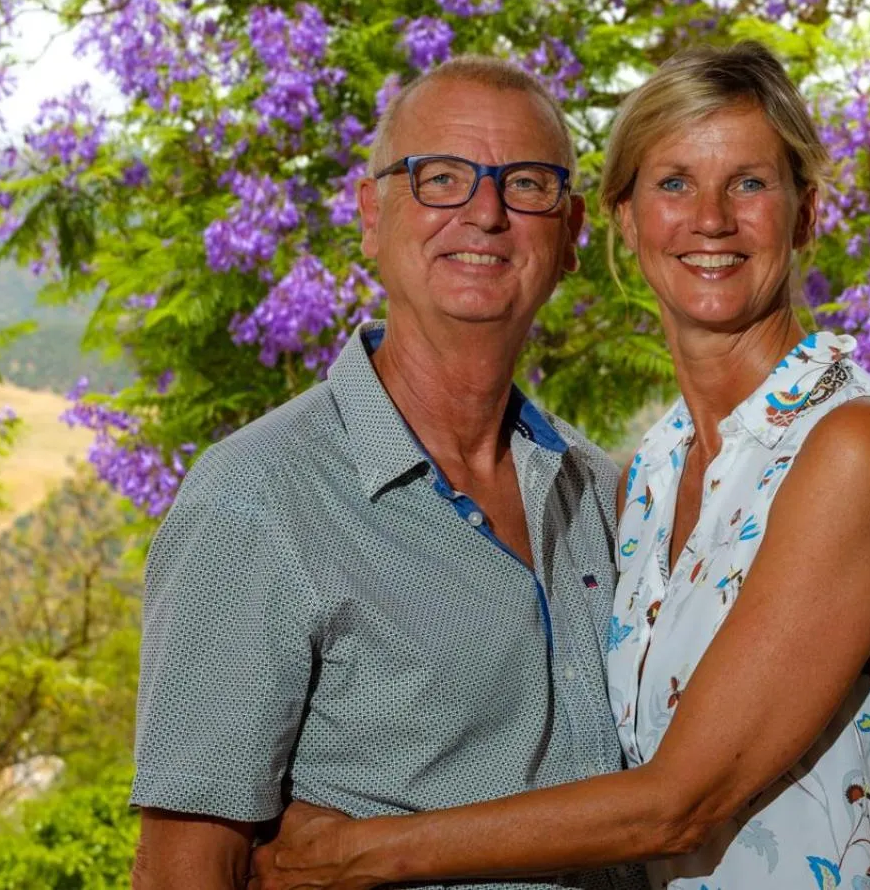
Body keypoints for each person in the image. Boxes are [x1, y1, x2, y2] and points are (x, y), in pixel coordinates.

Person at [251, 40, 870, 889]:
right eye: (673, 183)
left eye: (750, 182)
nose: (710, 218)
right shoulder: (643, 481)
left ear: (806, 213)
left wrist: (360, 850)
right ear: (623, 220)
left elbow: (678, 802)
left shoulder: (855, 446)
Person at [130, 56, 646, 890]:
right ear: (372, 215)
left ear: (571, 234)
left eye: (525, 184)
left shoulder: (604, 494)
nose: (485, 213)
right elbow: (183, 868)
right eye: (441, 178)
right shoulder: (257, 498)